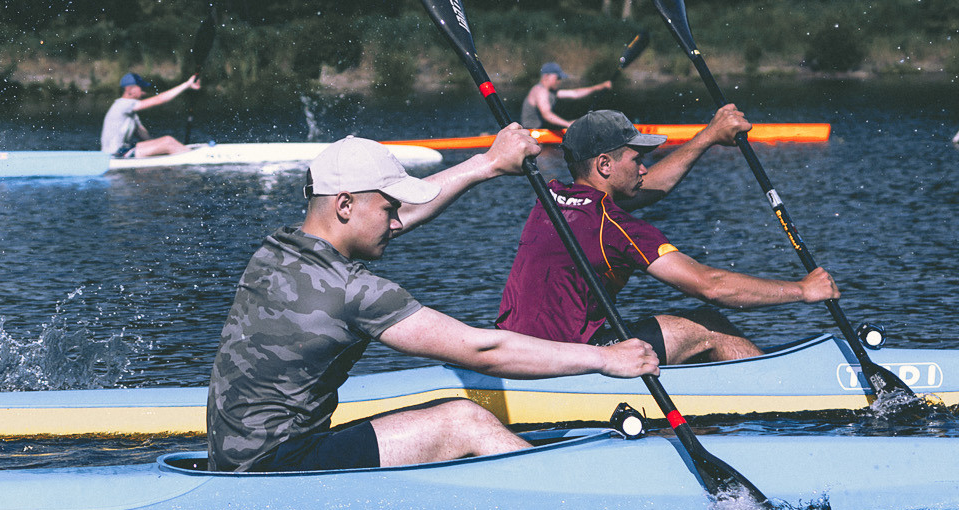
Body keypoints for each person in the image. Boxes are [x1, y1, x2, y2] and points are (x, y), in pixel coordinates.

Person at [205, 130, 659, 473]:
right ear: (345, 205)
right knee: (463, 421)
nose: (397, 222)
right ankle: (574, 494)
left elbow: (396, 215)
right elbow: (484, 349)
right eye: (388, 209)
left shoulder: (275, 249)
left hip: (239, 453)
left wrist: (487, 164)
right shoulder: (354, 292)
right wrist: (605, 360)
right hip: (274, 469)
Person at [495, 108, 839, 364]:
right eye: (637, 159)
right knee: (709, 325)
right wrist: (803, 290)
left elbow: (646, 189)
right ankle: (775, 395)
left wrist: (709, 135)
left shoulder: (551, 197)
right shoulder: (614, 226)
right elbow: (712, 286)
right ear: (604, 165)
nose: (644, 169)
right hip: (567, 361)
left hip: (512, 352)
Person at [101, 71, 202, 158]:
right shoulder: (122, 104)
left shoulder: (131, 114)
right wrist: (187, 85)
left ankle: (186, 153)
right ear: (129, 89)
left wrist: (159, 148)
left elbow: (146, 138)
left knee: (167, 142)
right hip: (114, 155)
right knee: (167, 141)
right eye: (141, 89)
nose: (144, 93)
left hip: (124, 150)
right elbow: (160, 99)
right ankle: (196, 158)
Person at [520, 61, 612, 131]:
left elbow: (575, 93)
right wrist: (568, 124)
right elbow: (547, 114)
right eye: (558, 78)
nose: (559, 81)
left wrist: (600, 86)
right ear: (546, 76)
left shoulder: (551, 92)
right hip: (531, 132)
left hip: (539, 131)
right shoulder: (540, 91)